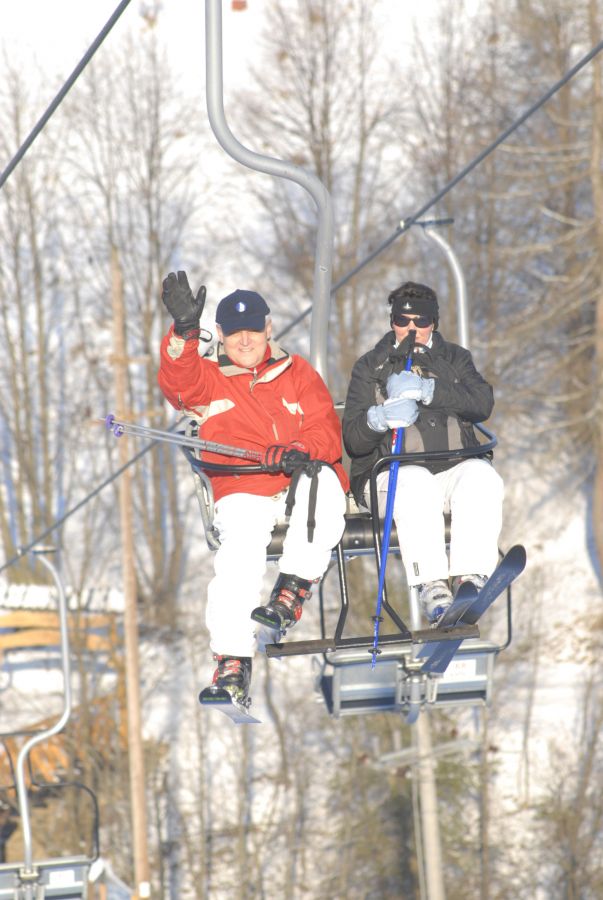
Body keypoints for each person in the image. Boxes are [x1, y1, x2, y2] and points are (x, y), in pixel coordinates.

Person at [158, 271, 348, 706]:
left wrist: (298, 450)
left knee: (323, 484)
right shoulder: (208, 378)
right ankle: (232, 661)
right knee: (237, 558)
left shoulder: (297, 372)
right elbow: (177, 384)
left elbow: (324, 427)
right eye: (234, 333)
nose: (244, 341)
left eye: (252, 330)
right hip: (244, 488)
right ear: (221, 334)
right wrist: (184, 333)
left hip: (299, 477)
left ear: (268, 328)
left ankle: (291, 588)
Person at [342, 281, 504, 625]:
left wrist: (431, 390)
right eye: (402, 321)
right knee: (415, 482)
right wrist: (379, 418)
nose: (412, 329)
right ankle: (432, 586)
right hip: (389, 475)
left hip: (450, 468)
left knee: (481, 475)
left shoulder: (455, 359)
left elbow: (482, 403)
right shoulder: (371, 367)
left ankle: (470, 577)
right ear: (392, 321)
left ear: (434, 322)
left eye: (422, 321)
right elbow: (354, 442)